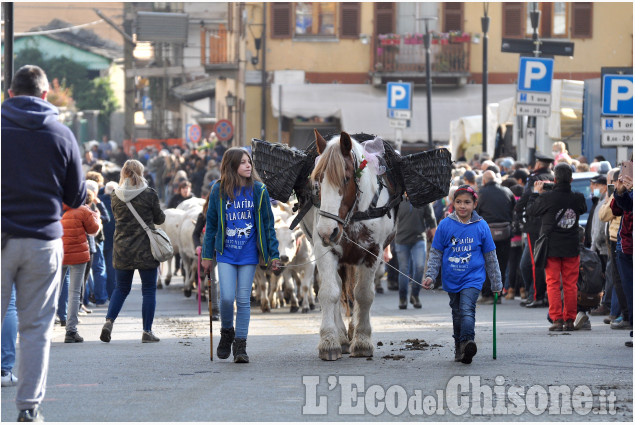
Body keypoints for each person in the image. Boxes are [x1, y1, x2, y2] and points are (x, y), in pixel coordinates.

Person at [1, 65, 86, 421]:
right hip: (44, 241)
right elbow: (77, 195)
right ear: (46, 95)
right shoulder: (62, 134)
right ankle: (28, 409)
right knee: (36, 328)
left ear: (9, 93)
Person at [201, 148, 281, 363]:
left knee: (243, 300)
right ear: (231, 165)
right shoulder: (218, 190)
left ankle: (241, 345)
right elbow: (211, 227)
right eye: (243, 162)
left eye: (249, 162)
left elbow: (268, 226)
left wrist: (274, 255)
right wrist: (207, 256)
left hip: (248, 254)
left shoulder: (259, 190)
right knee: (226, 298)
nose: (249, 166)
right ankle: (227, 332)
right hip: (226, 253)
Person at [421, 185, 502, 364]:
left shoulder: (481, 226)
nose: (462, 206)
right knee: (457, 313)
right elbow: (436, 253)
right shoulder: (445, 225)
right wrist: (430, 276)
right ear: (453, 203)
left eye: (467, 202)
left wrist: (496, 283)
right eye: (458, 202)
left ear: (474, 204)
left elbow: (491, 257)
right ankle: (459, 347)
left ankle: (467, 342)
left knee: (467, 309)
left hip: (473, 278)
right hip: (452, 278)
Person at [100, 159, 166, 344]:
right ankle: (147, 331)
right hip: (146, 249)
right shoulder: (149, 194)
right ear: (141, 172)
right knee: (148, 290)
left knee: (120, 288)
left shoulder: (115, 195)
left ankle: (109, 321)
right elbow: (159, 219)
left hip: (122, 248)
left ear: (123, 173)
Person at [526, 163, 587, 332]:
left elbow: (531, 211)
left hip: (551, 247)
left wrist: (536, 194)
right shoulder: (578, 197)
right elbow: (583, 208)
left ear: (554, 179)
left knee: (552, 283)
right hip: (571, 246)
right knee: (570, 284)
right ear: (571, 180)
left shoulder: (547, 197)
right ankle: (570, 319)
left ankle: (557, 319)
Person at [60, 190, 101, 343]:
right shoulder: (84, 210)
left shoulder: (58, 208)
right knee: (75, 292)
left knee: (54, 291)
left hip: (59, 253)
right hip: (78, 255)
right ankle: (71, 331)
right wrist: (95, 216)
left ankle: (44, 327)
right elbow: (93, 230)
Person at [515, 153, 555, 308]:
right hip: (550, 224)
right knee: (548, 262)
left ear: (538, 164)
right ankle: (542, 294)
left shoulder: (534, 179)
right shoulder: (553, 177)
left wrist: (518, 208)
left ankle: (537, 295)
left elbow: (526, 198)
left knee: (535, 262)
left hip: (534, 225)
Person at [476, 170, 516, 304]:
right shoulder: (507, 191)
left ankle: (487, 294)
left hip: (486, 234)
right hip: (505, 233)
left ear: (484, 181)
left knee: (486, 263)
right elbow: (513, 209)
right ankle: (497, 294)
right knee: (502, 264)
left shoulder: (480, 193)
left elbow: (474, 213)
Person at [393, 197, 437, 309]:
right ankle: (402, 298)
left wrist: (437, 243)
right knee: (403, 270)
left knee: (419, 267)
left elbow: (431, 222)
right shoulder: (397, 201)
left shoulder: (423, 201)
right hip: (401, 240)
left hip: (419, 239)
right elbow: (390, 221)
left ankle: (415, 295)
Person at [611, 165, 633, 346]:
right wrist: (619, 192)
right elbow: (618, 209)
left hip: (627, 245)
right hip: (626, 246)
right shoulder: (628, 189)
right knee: (629, 289)